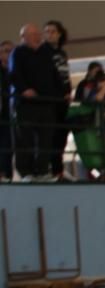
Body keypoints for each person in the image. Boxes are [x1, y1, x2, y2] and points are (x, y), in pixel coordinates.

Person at [8, 23, 61, 182]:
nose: (37, 37)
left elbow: (54, 75)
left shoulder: (46, 53)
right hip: (26, 104)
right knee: (25, 139)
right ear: (23, 37)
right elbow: (14, 74)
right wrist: (24, 89)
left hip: (45, 103)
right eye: (32, 35)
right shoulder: (18, 52)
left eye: (38, 34)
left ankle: (42, 171)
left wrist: (61, 93)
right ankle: (27, 173)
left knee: (46, 139)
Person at [43, 20, 71, 180]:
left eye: (53, 31)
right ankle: (51, 170)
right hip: (53, 100)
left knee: (61, 135)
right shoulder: (44, 52)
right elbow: (50, 78)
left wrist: (67, 92)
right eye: (47, 31)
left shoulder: (62, 53)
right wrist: (60, 93)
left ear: (60, 34)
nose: (50, 34)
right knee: (51, 136)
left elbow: (65, 77)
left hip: (63, 100)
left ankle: (58, 170)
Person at [0, 40, 14, 181]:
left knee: (9, 146)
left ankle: (6, 174)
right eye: (5, 51)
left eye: (11, 51)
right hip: (2, 112)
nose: (8, 54)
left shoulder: (16, 70)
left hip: (13, 113)